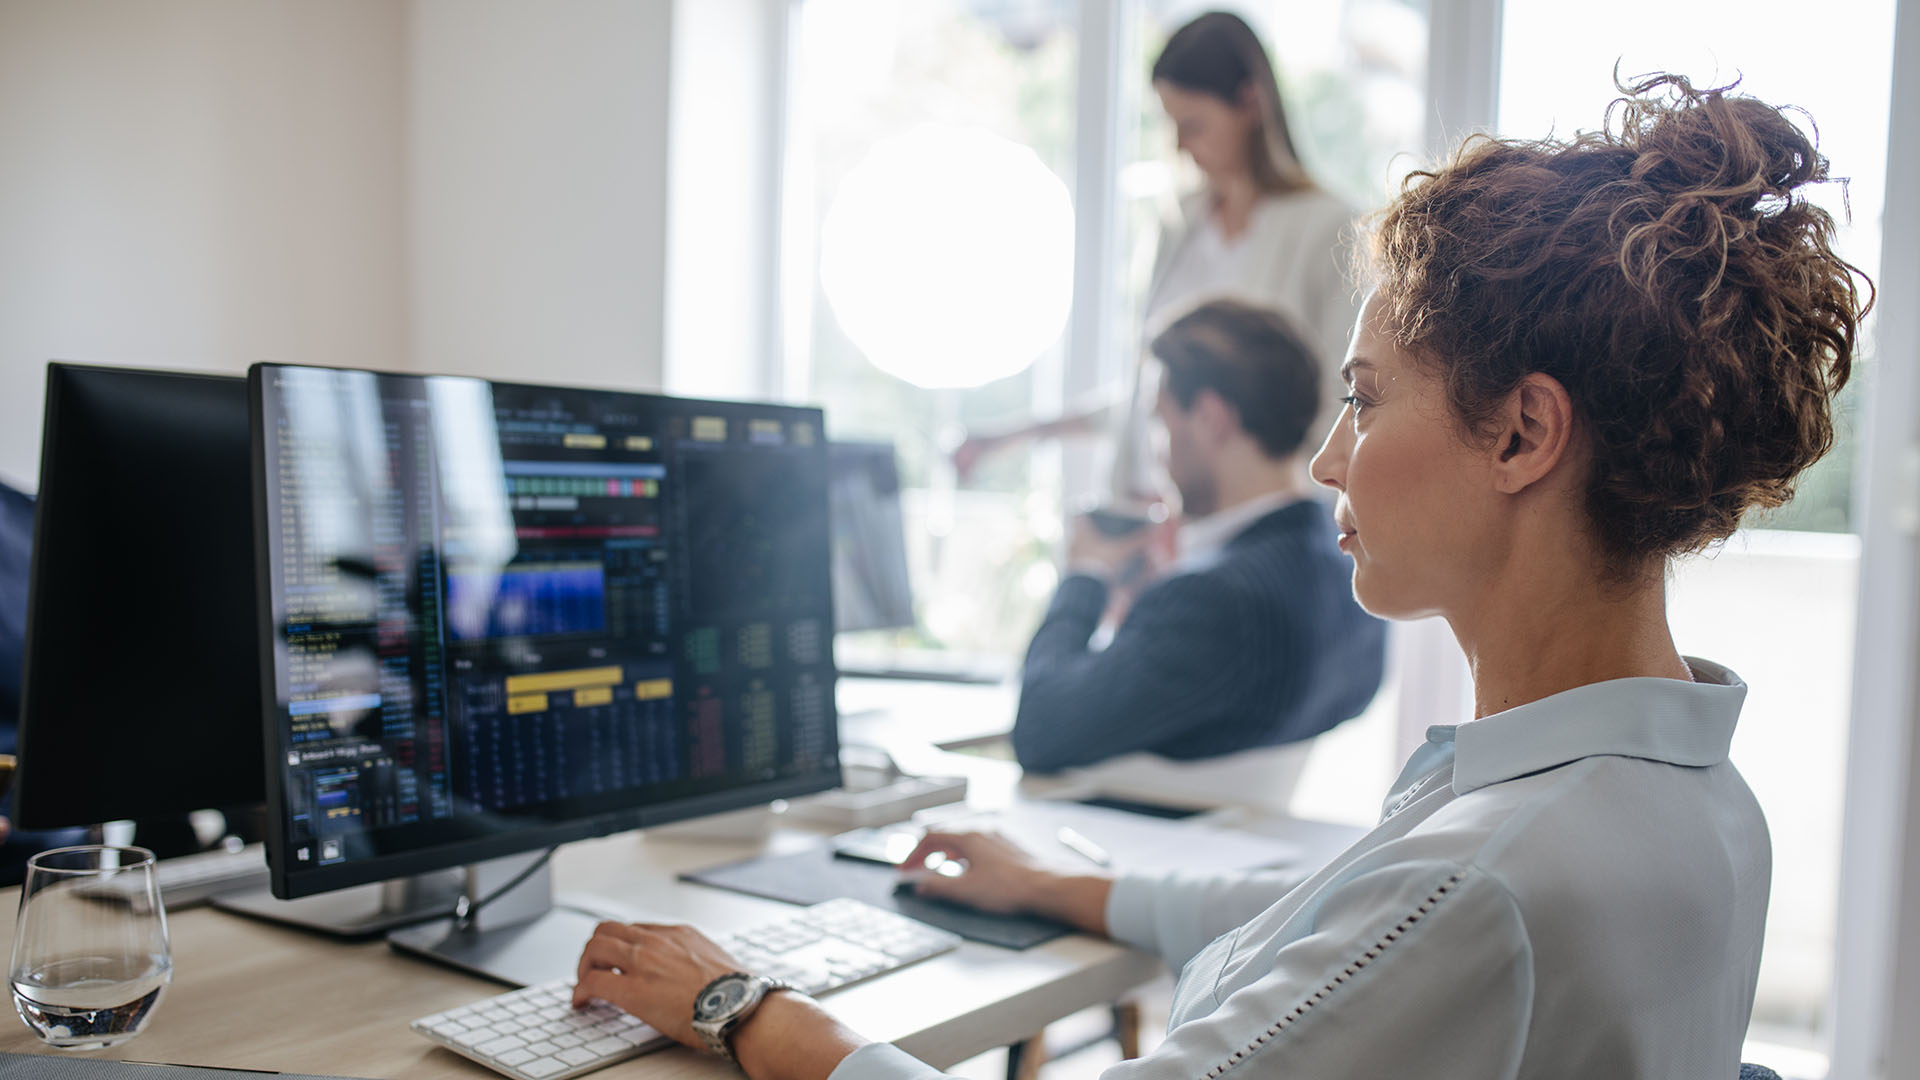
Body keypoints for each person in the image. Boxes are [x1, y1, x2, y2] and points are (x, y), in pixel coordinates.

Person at [565, 74, 1868, 1078]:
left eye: (1364, 402)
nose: (1327, 462)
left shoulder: (1489, 878)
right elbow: (1335, 920)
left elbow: (1407, 918)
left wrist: (745, 1006)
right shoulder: (1689, 799)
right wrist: (1060, 885)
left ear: (1523, 434)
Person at [954, 10, 1359, 502]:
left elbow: (1340, 407)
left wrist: (1268, 512)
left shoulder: (1327, 230)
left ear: (1250, 102)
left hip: (1246, 526)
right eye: (1170, 124)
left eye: (1193, 124)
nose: (1179, 145)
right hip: (1150, 525)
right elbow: (1155, 393)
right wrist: (1012, 436)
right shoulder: (1179, 228)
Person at [1011, 298, 1385, 773]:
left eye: (1159, 421)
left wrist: (1086, 573)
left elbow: (1039, 731)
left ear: (1210, 419)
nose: (1156, 452)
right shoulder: (1353, 562)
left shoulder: (1213, 602)